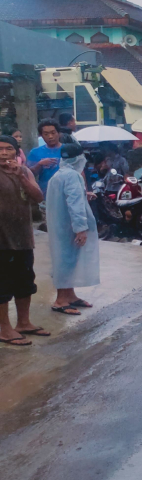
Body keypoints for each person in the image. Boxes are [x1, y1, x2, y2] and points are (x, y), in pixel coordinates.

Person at [0, 135, 49, 345]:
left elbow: (38, 197)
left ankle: (24, 323)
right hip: (1, 240)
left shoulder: (25, 172)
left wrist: (20, 176)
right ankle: (4, 329)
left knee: (25, 282)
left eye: (8, 149)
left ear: (16, 152)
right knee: (2, 285)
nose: (3, 153)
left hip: (23, 238)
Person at [46, 142, 99, 315]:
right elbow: (74, 203)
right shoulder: (72, 176)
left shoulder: (59, 175)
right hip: (69, 227)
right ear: (79, 158)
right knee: (65, 262)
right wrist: (80, 228)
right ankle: (61, 300)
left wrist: (85, 195)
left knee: (69, 260)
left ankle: (70, 295)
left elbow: (69, 197)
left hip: (60, 225)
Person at [27, 119, 63, 196]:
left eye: (53, 133)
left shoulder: (68, 150)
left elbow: (80, 171)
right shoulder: (35, 152)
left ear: (59, 133)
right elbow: (28, 173)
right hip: (45, 193)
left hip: (67, 192)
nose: (50, 136)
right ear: (41, 135)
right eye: (46, 134)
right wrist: (39, 164)